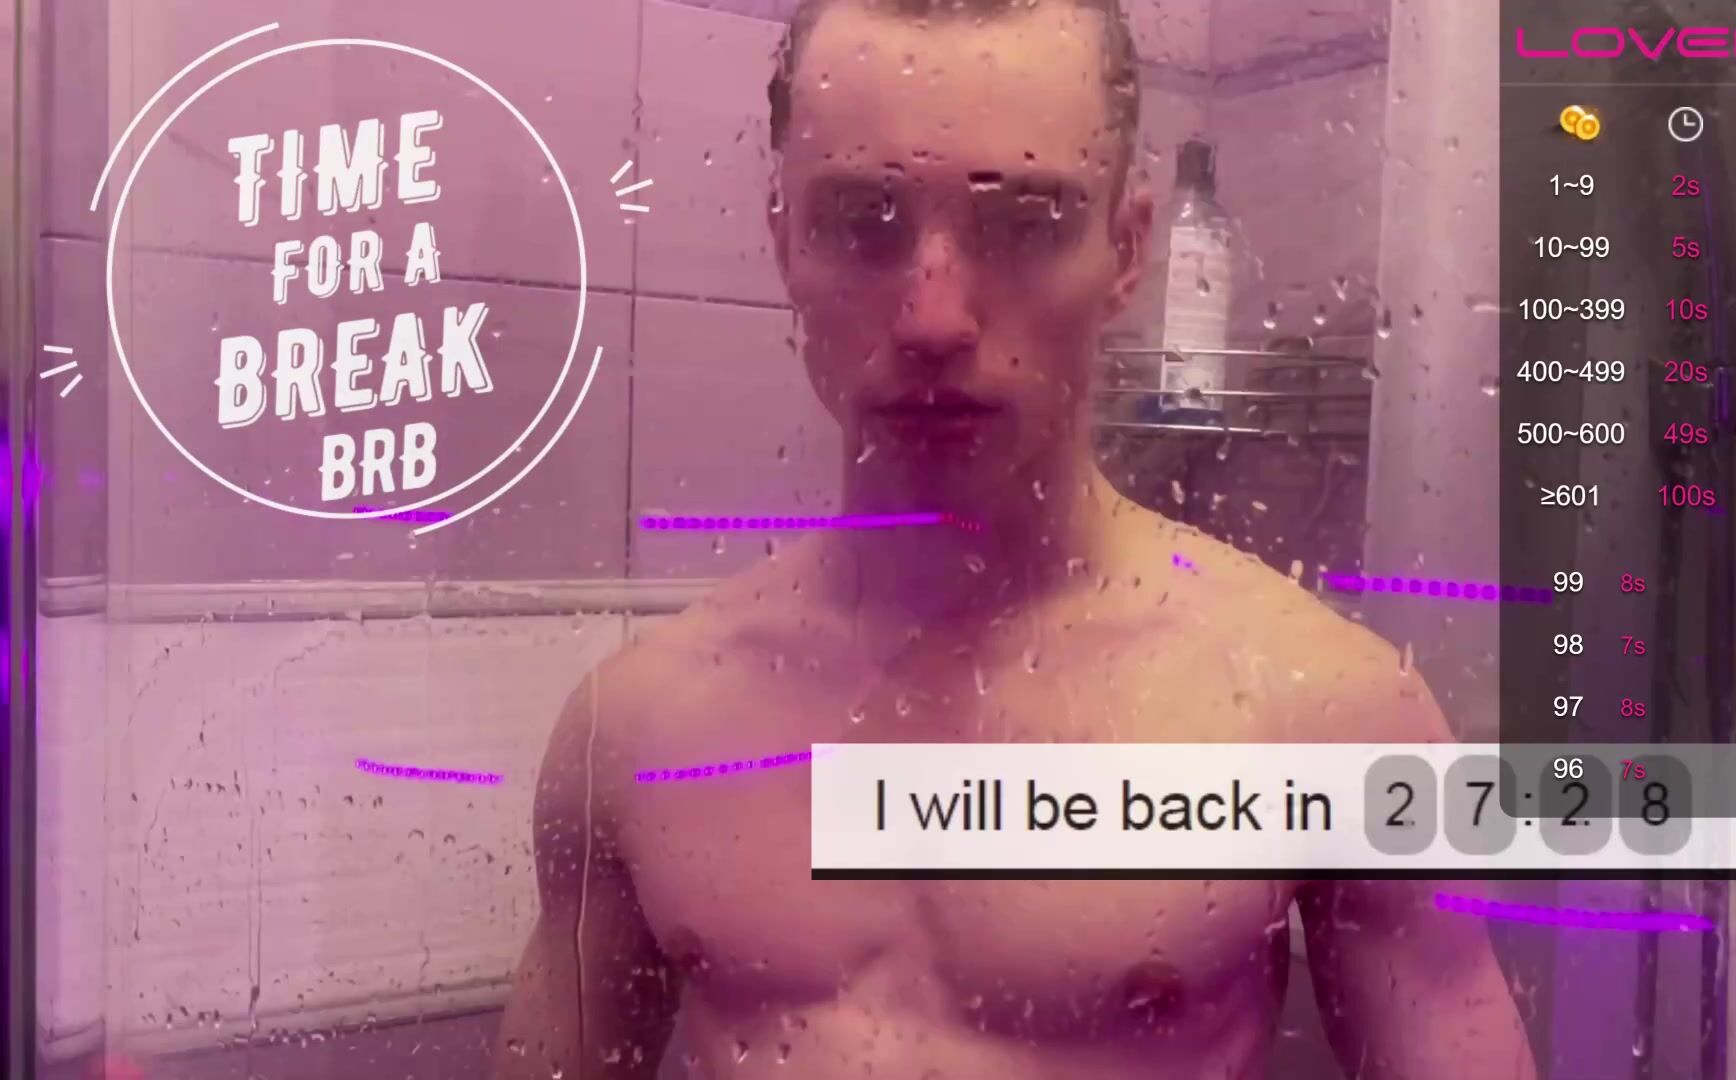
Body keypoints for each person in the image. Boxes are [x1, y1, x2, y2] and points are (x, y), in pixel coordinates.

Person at [497, 1, 1538, 1077]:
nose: (934, 319)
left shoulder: (1325, 713)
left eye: (1027, 224)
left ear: (1126, 251)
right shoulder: (635, 732)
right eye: (863, 223)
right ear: (784, 244)